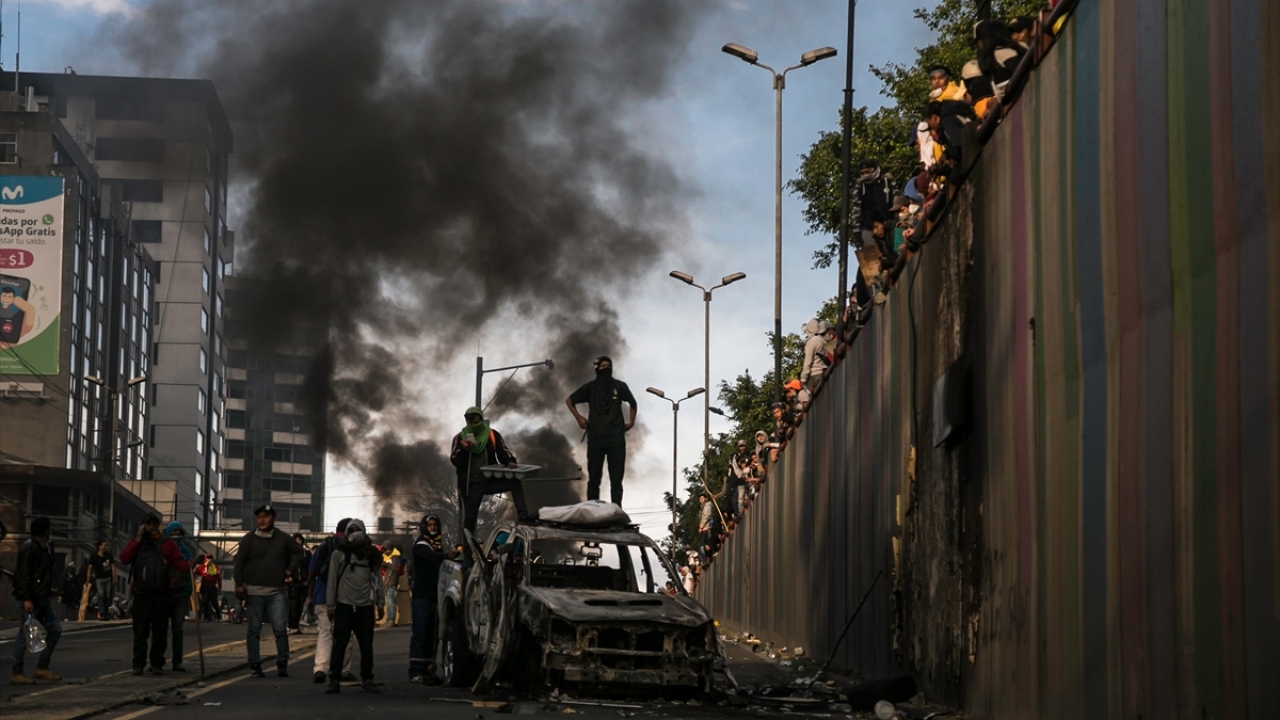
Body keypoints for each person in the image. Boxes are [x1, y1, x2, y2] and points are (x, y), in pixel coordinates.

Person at [234, 503, 304, 678]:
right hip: (253, 591)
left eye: (266, 516)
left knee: (280, 628)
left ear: (274, 518)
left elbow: (298, 552)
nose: (262, 519)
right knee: (254, 629)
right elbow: (239, 562)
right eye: (259, 516)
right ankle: (255, 664)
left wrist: (289, 570)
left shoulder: (282, 538)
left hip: (276, 591)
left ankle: (282, 663)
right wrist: (239, 584)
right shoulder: (249, 539)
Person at [119, 513, 188, 676]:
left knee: (159, 632)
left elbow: (179, 563)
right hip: (142, 593)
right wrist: (138, 538)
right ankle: (139, 664)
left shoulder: (167, 543)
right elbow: (124, 558)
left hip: (161, 594)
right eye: (148, 523)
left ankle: (156, 663)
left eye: (153, 523)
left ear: (158, 525)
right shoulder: (139, 543)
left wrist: (187, 566)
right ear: (143, 525)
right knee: (141, 632)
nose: (151, 526)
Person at [565, 356, 638, 505]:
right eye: (603, 366)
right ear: (597, 369)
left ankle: (616, 509)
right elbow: (569, 401)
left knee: (616, 480)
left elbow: (633, 403)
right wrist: (579, 418)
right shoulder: (590, 388)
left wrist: (630, 423)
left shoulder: (619, 386)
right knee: (594, 480)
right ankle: (593, 509)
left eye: (608, 366)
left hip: (616, 440)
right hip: (596, 440)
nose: (606, 368)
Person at [324, 518, 385, 694]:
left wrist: (380, 602)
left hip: (365, 606)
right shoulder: (339, 554)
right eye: (352, 529)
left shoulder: (371, 554)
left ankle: (367, 678)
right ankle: (334, 679)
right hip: (344, 605)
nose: (355, 532)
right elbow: (332, 580)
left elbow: (377, 579)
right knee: (340, 644)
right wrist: (330, 606)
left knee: (366, 645)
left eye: (358, 529)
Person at [450, 407, 528, 534]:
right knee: (469, 521)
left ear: (481, 419)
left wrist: (510, 461)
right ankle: (468, 551)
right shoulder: (459, 438)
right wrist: (465, 450)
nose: (474, 425)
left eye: (476, 422)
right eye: (471, 423)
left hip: (490, 479)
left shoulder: (491, 435)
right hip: (472, 485)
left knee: (514, 482)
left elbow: (503, 452)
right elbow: (455, 461)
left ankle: (524, 516)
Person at [11, 517, 63, 685]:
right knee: (24, 634)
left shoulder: (43, 549)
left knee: (55, 630)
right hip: (30, 600)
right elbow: (23, 575)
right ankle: (17, 672)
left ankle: (42, 667)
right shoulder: (29, 548)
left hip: (42, 599)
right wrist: (26, 598)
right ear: (46, 531)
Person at [307, 518, 355, 684]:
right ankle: (343, 670)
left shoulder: (322, 547)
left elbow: (311, 574)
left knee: (325, 633)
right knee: (345, 634)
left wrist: (310, 598)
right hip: (345, 597)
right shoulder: (351, 548)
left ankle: (320, 668)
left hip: (321, 596)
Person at [409, 514, 453, 684]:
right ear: (424, 527)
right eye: (430, 525)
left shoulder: (437, 545)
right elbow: (432, 557)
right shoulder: (421, 544)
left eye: (435, 525)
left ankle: (428, 668)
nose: (433, 527)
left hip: (435, 596)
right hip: (422, 596)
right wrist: (448, 555)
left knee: (432, 635)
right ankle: (415, 671)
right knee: (420, 634)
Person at [163, 521, 194, 671]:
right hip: (164, 593)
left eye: (178, 531)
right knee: (160, 629)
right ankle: (158, 660)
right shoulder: (162, 549)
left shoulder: (185, 551)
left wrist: (188, 590)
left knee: (178, 629)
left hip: (180, 593)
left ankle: (177, 660)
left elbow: (188, 574)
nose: (176, 535)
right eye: (173, 532)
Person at [799, 319, 831, 398]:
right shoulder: (824, 340)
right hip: (825, 373)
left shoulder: (812, 342)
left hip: (814, 375)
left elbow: (808, 362)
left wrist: (803, 378)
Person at [87, 540, 116, 621]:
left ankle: (106, 613)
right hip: (99, 578)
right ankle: (102, 613)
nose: (105, 547)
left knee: (108, 596)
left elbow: (113, 567)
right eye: (104, 545)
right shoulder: (94, 556)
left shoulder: (109, 556)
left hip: (108, 578)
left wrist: (114, 577)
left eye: (106, 545)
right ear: (99, 547)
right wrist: (88, 578)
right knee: (101, 596)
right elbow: (90, 567)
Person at [287, 533, 309, 634]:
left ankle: (295, 626)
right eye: (296, 539)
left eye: (300, 540)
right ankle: (291, 626)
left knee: (300, 605)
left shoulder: (306, 554)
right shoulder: (289, 554)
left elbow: (310, 567)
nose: (298, 541)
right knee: (293, 605)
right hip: (293, 582)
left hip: (303, 583)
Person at [195, 555, 222, 622]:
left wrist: (219, 587)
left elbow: (219, 578)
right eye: (208, 558)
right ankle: (206, 618)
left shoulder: (215, 567)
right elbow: (195, 574)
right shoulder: (200, 567)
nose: (209, 560)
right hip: (204, 587)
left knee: (214, 603)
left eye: (210, 558)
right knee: (205, 603)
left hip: (212, 587)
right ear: (205, 559)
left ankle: (219, 617)